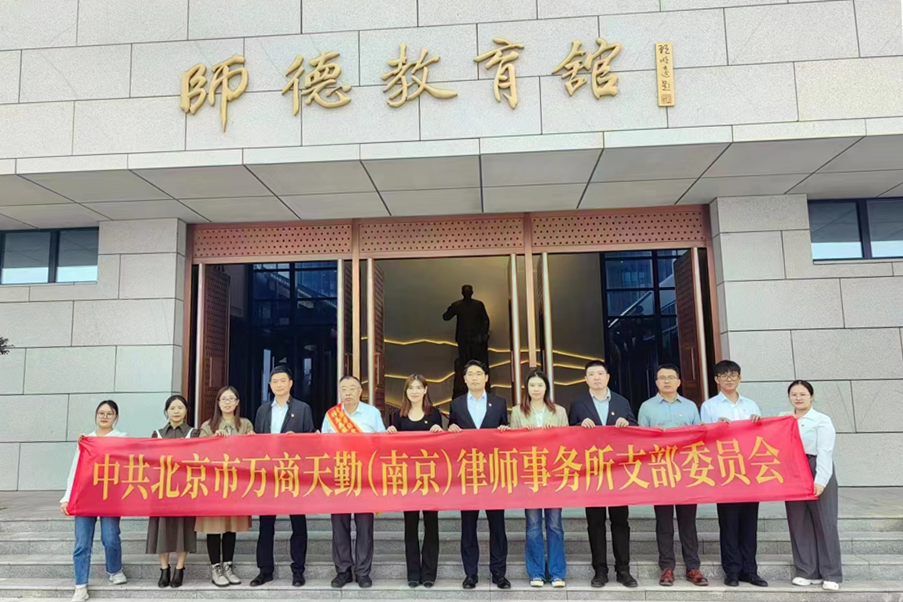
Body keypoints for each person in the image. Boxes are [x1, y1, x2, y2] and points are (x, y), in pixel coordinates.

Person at [567, 359, 638, 588]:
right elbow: (567, 436)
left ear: (607, 377)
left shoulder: (621, 401)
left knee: (620, 521)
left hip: (617, 472)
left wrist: (626, 423)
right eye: (591, 374)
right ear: (585, 379)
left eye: (600, 373)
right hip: (592, 473)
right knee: (595, 522)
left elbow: (636, 431)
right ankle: (600, 570)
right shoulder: (578, 403)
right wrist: (579, 427)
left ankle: (623, 569)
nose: (596, 377)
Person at [638, 365, 708, 588]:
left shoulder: (690, 406)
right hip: (660, 471)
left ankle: (692, 566)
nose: (666, 381)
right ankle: (667, 566)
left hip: (686, 471)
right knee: (664, 522)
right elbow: (639, 440)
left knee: (688, 522)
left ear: (679, 381)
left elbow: (699, 438)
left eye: (671, 377)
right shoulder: (647, 407)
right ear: (656, 382)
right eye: (662, 378)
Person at [700, 360, 767, 588]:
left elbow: (762, 437)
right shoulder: (709, 406)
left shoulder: (751, 405)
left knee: (749, 522)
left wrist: (758, 424)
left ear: (740, 378)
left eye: (733, 375)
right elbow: (704, 438)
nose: (729, 379)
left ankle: (750, 570)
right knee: (728, 523)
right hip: (725, 470)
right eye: (724, 375)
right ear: (716, 379)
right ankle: (732, 571)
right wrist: (714, 427)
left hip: (750, 470)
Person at [448, 359, 510, 590]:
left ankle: (499, 573)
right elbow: (451, 436)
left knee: (498, 526)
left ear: (486, 378)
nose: (474, 378)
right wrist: (450, 429)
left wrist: (505, 430)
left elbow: (507, 435)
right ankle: (471, 574)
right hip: (468, 474)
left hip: (494, 474)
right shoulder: (456, 405)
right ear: (464, 379)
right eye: (470, 374)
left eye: (478, 374)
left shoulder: (499, 403)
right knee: (468, 527)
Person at [251, 366, 315, 587]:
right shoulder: (262, 410)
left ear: (290, 384)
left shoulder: (303, 408)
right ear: (270, 386)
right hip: (268, 475)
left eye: (282, 381)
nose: (278, 385)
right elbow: (257, 442)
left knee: (298, 524)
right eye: (274, 381)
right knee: (265, 525)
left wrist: (297, 439)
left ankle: (298, 570)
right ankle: (264, 570)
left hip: (293, 473)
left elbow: (311, 440)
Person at [322, 375, 386, 589]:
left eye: (352, 388)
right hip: (339, 477)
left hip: (364, 477)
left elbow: (382, 443)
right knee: (339, 526)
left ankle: (363, 572)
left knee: (364, 526)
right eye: (344, 389)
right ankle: (343, 570)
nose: (348, 392)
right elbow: (323, 446)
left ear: (360, 391)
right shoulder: (331, 415)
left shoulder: (372, 413)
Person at [61, 400, 128, 602]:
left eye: (109, 413)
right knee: (82, 542)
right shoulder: (86, 440)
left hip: (110, 496)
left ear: (116, 417)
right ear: (96, 416)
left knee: (111, 537)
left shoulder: (121, 439)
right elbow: (75, 469)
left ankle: (114, 570)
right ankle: (80, 585)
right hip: (85, 496)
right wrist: (67, 498)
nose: (105, 417)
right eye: (101, 413)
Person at [510, 369, 569, 589]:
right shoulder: (517, 412)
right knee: (533, 525)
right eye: (532, 385)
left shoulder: (559, 411)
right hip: (529, 475)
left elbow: (568, 442)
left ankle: (557, 573)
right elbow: (511, 445)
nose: (536, 389)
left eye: (540, 385)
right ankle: (535, 572)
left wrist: (555, 433)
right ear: (527, 388)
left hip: (554, 475)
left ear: (546, 388)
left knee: (554, 525)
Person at [784, 380, 842, 591]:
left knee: (825, 521)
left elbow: (825, 451)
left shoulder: (821, 420)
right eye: (794, 394)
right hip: (792, 470)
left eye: (803, 394)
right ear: (789, 397)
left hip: (815, 465)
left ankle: (831, 574)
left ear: (811, 396)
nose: (798, 398)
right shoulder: (784, 418)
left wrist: (821, 480)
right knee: (798, 521)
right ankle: (806, 571)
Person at [387, 374, 444, 588]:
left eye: (419, 387)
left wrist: (440, 432)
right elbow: (393, 448)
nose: (415, 391)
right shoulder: (397, 416)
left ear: (425, 390)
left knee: (431, 525)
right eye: (411, 388)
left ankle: (429, 573)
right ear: (406, 391)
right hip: (408, 479)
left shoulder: (434, 414)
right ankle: (413, 573)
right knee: (410, 527)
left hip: (429, 478)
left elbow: (441, 447)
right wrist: (390, 433)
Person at [196, 386, 254, 587]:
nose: (227, 402)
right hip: (214, 484)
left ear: (237, 402)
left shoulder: (245, 424)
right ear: (218, 403)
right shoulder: (208, 426)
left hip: (236, 484)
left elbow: (252, 452)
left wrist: (252, 440)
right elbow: (199, 453)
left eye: (231, 399)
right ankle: (216, 568)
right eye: (224, 399)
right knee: (214, 527)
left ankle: (228, 566)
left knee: (231, 526)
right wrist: (213, 441)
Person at [147, 395, 199, 589]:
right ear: (166, 412)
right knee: (162, 529)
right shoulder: (157, 434)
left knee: (182, 529)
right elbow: (150, 461)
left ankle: (179, 568)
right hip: (162, 489)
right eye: (172, 408)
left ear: (186, 411)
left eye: (180, 408)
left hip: (185, 489)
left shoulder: (194, 433)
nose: (176, 411)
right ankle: (164, 569)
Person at [443, 284, 491, 397]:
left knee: (475, 364)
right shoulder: (461, 305)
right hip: (465, 339)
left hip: (475, 340)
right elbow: (446, 317)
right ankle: (466, 385)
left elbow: (485, 320)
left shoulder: (476, 305)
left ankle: (475, 384)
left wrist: (483, 335)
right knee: (465, 364)